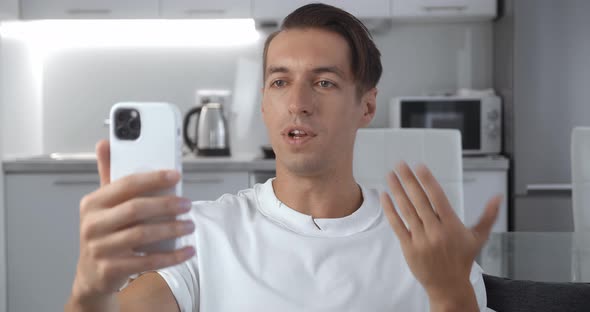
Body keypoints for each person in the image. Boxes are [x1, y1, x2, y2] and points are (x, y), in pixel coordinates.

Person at [66, 3, 501, 311]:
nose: (298, 102)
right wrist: (89, 292)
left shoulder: (432, 247)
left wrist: (449, 296)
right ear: (262, 103)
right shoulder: (200, 235)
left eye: (324, 82)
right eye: (279, 82)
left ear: (366, 106)